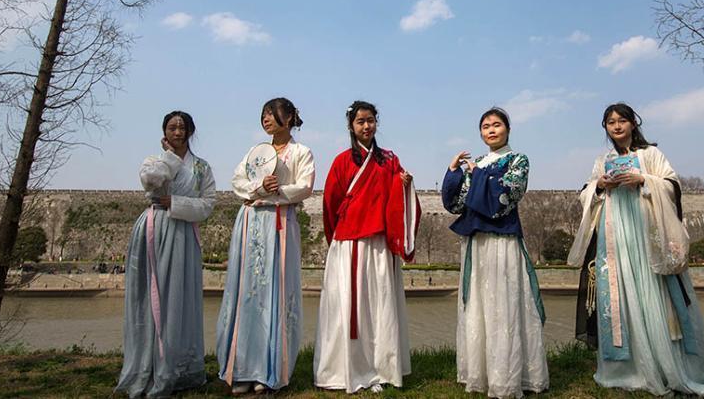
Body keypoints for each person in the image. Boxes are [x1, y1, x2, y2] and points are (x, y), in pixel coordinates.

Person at [568, 103, 704, 397]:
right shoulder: (604, 160)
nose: (616, 126)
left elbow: (672, 186)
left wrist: (644, 180)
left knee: (657, 295)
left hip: (648, 234)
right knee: (621, 297)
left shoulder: (650, 154)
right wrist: (599, 185)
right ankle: (629, 366)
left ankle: (666, 363)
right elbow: (586, 194)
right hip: (616, 236)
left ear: (633, 123)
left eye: (622, 120)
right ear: (606, 128)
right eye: (610, 122)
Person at [441, 107, 549, 398]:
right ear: (480, 132)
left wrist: (478, 178)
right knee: (478, 304)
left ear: (508, 129)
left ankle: (508, 376)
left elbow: (506, 196)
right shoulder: (475, 163)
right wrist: (453, 172)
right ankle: (479, 372)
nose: (491, 130)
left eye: (497, 124)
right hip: (477, 244)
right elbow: (457, 204)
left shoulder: (518, 160)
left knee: (504, 306)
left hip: (503, 243)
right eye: (485, 126)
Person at [313, 100, 420, 393]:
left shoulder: (389, 160)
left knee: (379, 306)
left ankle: (380, 370)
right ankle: (345, 370)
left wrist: (405, 184)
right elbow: (330, 205)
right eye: (360, 121)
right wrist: (337, 239)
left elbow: (398, 197)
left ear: (376, 123)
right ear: (351, 126)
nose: (366, 126)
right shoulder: (341, 161)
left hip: (379, 243)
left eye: (371, 120)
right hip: (349, 244)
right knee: (348, 308)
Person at [216, 98, 315, 395]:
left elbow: (305, 186)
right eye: (264, 115)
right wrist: (258, 189)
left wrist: (276, 192)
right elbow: (237, 180)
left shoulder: (301, 152)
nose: (267, 119)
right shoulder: (255, 152)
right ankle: (242, 367)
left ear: (289, 117)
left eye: (272, 114)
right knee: (247, 292)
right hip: (250, 222)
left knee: (277, 292)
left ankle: (271, 369)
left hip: (280, 223)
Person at [116, 111, 216, 398]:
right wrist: (169, 158)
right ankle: (147, 364)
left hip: (184, 233)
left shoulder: (202, 168)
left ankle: (180, 367)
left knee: (180, 297)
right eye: (172, 127)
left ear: (190, 131)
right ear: (164, 131)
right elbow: (150, 182)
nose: (178, 132)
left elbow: (207, 204)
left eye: (182, 127)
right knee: (150, 297)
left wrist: (177, 202)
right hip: (153, 230)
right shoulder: (154, 161)